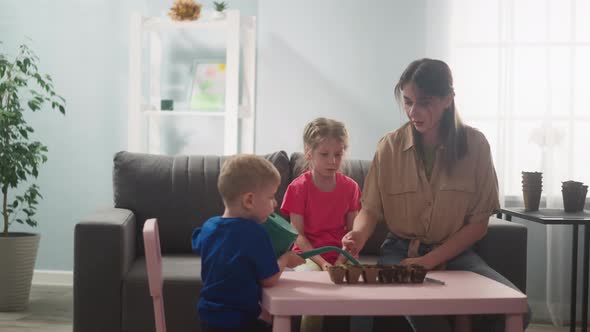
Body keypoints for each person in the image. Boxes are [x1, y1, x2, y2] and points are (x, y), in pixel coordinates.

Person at [341, 58, 531, 332]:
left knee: (519, 310)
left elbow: (478, 225)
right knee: (417, 311)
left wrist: (428, 261)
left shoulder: (476, 146)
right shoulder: (389, 147)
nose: (413, 112)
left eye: (424, 103)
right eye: (407, 101)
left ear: (448, 99)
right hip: (400, 253)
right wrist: (358, 235)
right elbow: (369, 209)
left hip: (456, 254)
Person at [192, 154, 304, 332]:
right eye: (271, 197)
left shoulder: (208, 227)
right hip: (241, 321)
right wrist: (285, 259)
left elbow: (196, 242)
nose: (275, 203)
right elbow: (269, 279)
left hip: (208, 316)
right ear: (249, 200)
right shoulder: (256, 234)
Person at [280, 118, 361, 332]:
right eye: (324, 155)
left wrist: (341, 260)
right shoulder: (298, 188)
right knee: (313, 295)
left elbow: (354, 233)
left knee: (358, 296)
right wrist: (324, 263)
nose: (332, 161)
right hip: (309, 256)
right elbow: (298, 236)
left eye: (338, 154)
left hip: (344, 256)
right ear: (309, 152)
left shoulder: (351, 187)